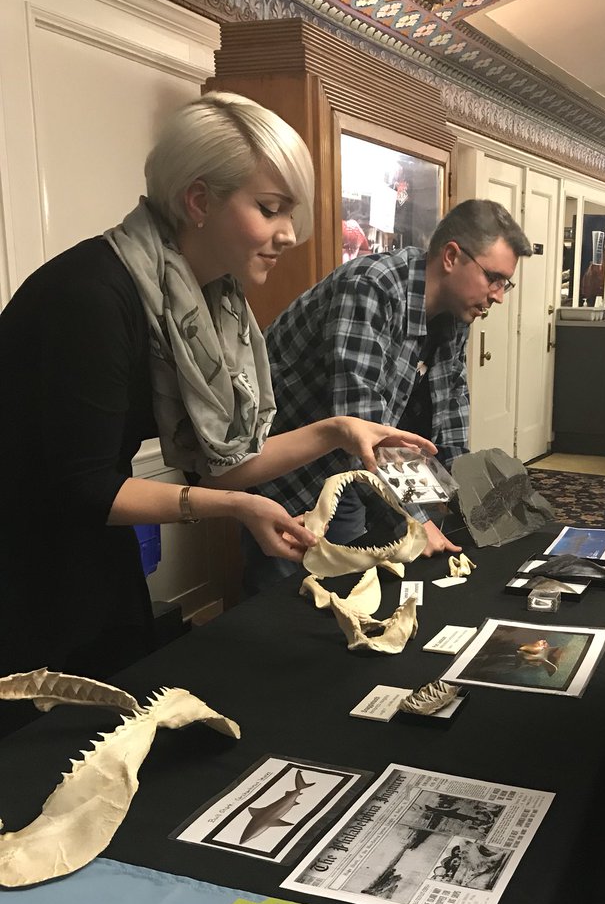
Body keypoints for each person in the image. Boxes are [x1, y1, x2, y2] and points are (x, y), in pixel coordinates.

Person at [0, 92, 434, 680]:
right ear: (199, 200)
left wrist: (336, 430)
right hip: (25, 560)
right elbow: (85, 488)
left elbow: (223, 462)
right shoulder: (90, 297)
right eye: (271, 208)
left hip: (86, 548)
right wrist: (230, 507)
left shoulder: (206, 303)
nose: (288, 235)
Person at [245, 199, 532, 590]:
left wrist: (471, 504)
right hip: (284, 472)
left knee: (348, 584)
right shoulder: (371, 287)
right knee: (283, 599)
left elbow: (451, 408)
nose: (499, 295)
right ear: (451, 257)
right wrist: (419, 519)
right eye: (493, 278)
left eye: (505, 283)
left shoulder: (456, 310)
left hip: (345, 466)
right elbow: (362, 421)